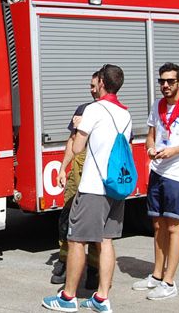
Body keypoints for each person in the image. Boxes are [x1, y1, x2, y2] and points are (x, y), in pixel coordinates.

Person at [43, 64, 131, 313]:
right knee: (106, 242)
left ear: (102, 82)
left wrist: (80, 123)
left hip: (93, 187)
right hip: (115, 187)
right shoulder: (125, 113)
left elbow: (78, 147)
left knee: (76, 241)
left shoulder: (93, 110)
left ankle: (67, 297)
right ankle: (102, 298)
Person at [132, 62, 179, 300]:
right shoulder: (157, 105)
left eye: (170, 81)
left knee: (174, 226)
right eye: (162, 81)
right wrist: (151, 147)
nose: (165, 86)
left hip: (177, 173)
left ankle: (169, 281)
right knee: (157, 225)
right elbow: (151, 136)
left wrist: (175, 151)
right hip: (158, 169)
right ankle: (156, 275)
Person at [53, 72, 100, 288]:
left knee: (95, 225)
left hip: (98, 170)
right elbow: (73, 141)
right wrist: (63, 169)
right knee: (67, 218)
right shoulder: (82, 109)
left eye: (94, 85)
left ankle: (93, 270)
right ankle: (64, 261)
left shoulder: (113, 112)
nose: (91, 90)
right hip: (78, 169)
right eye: (89, 86)